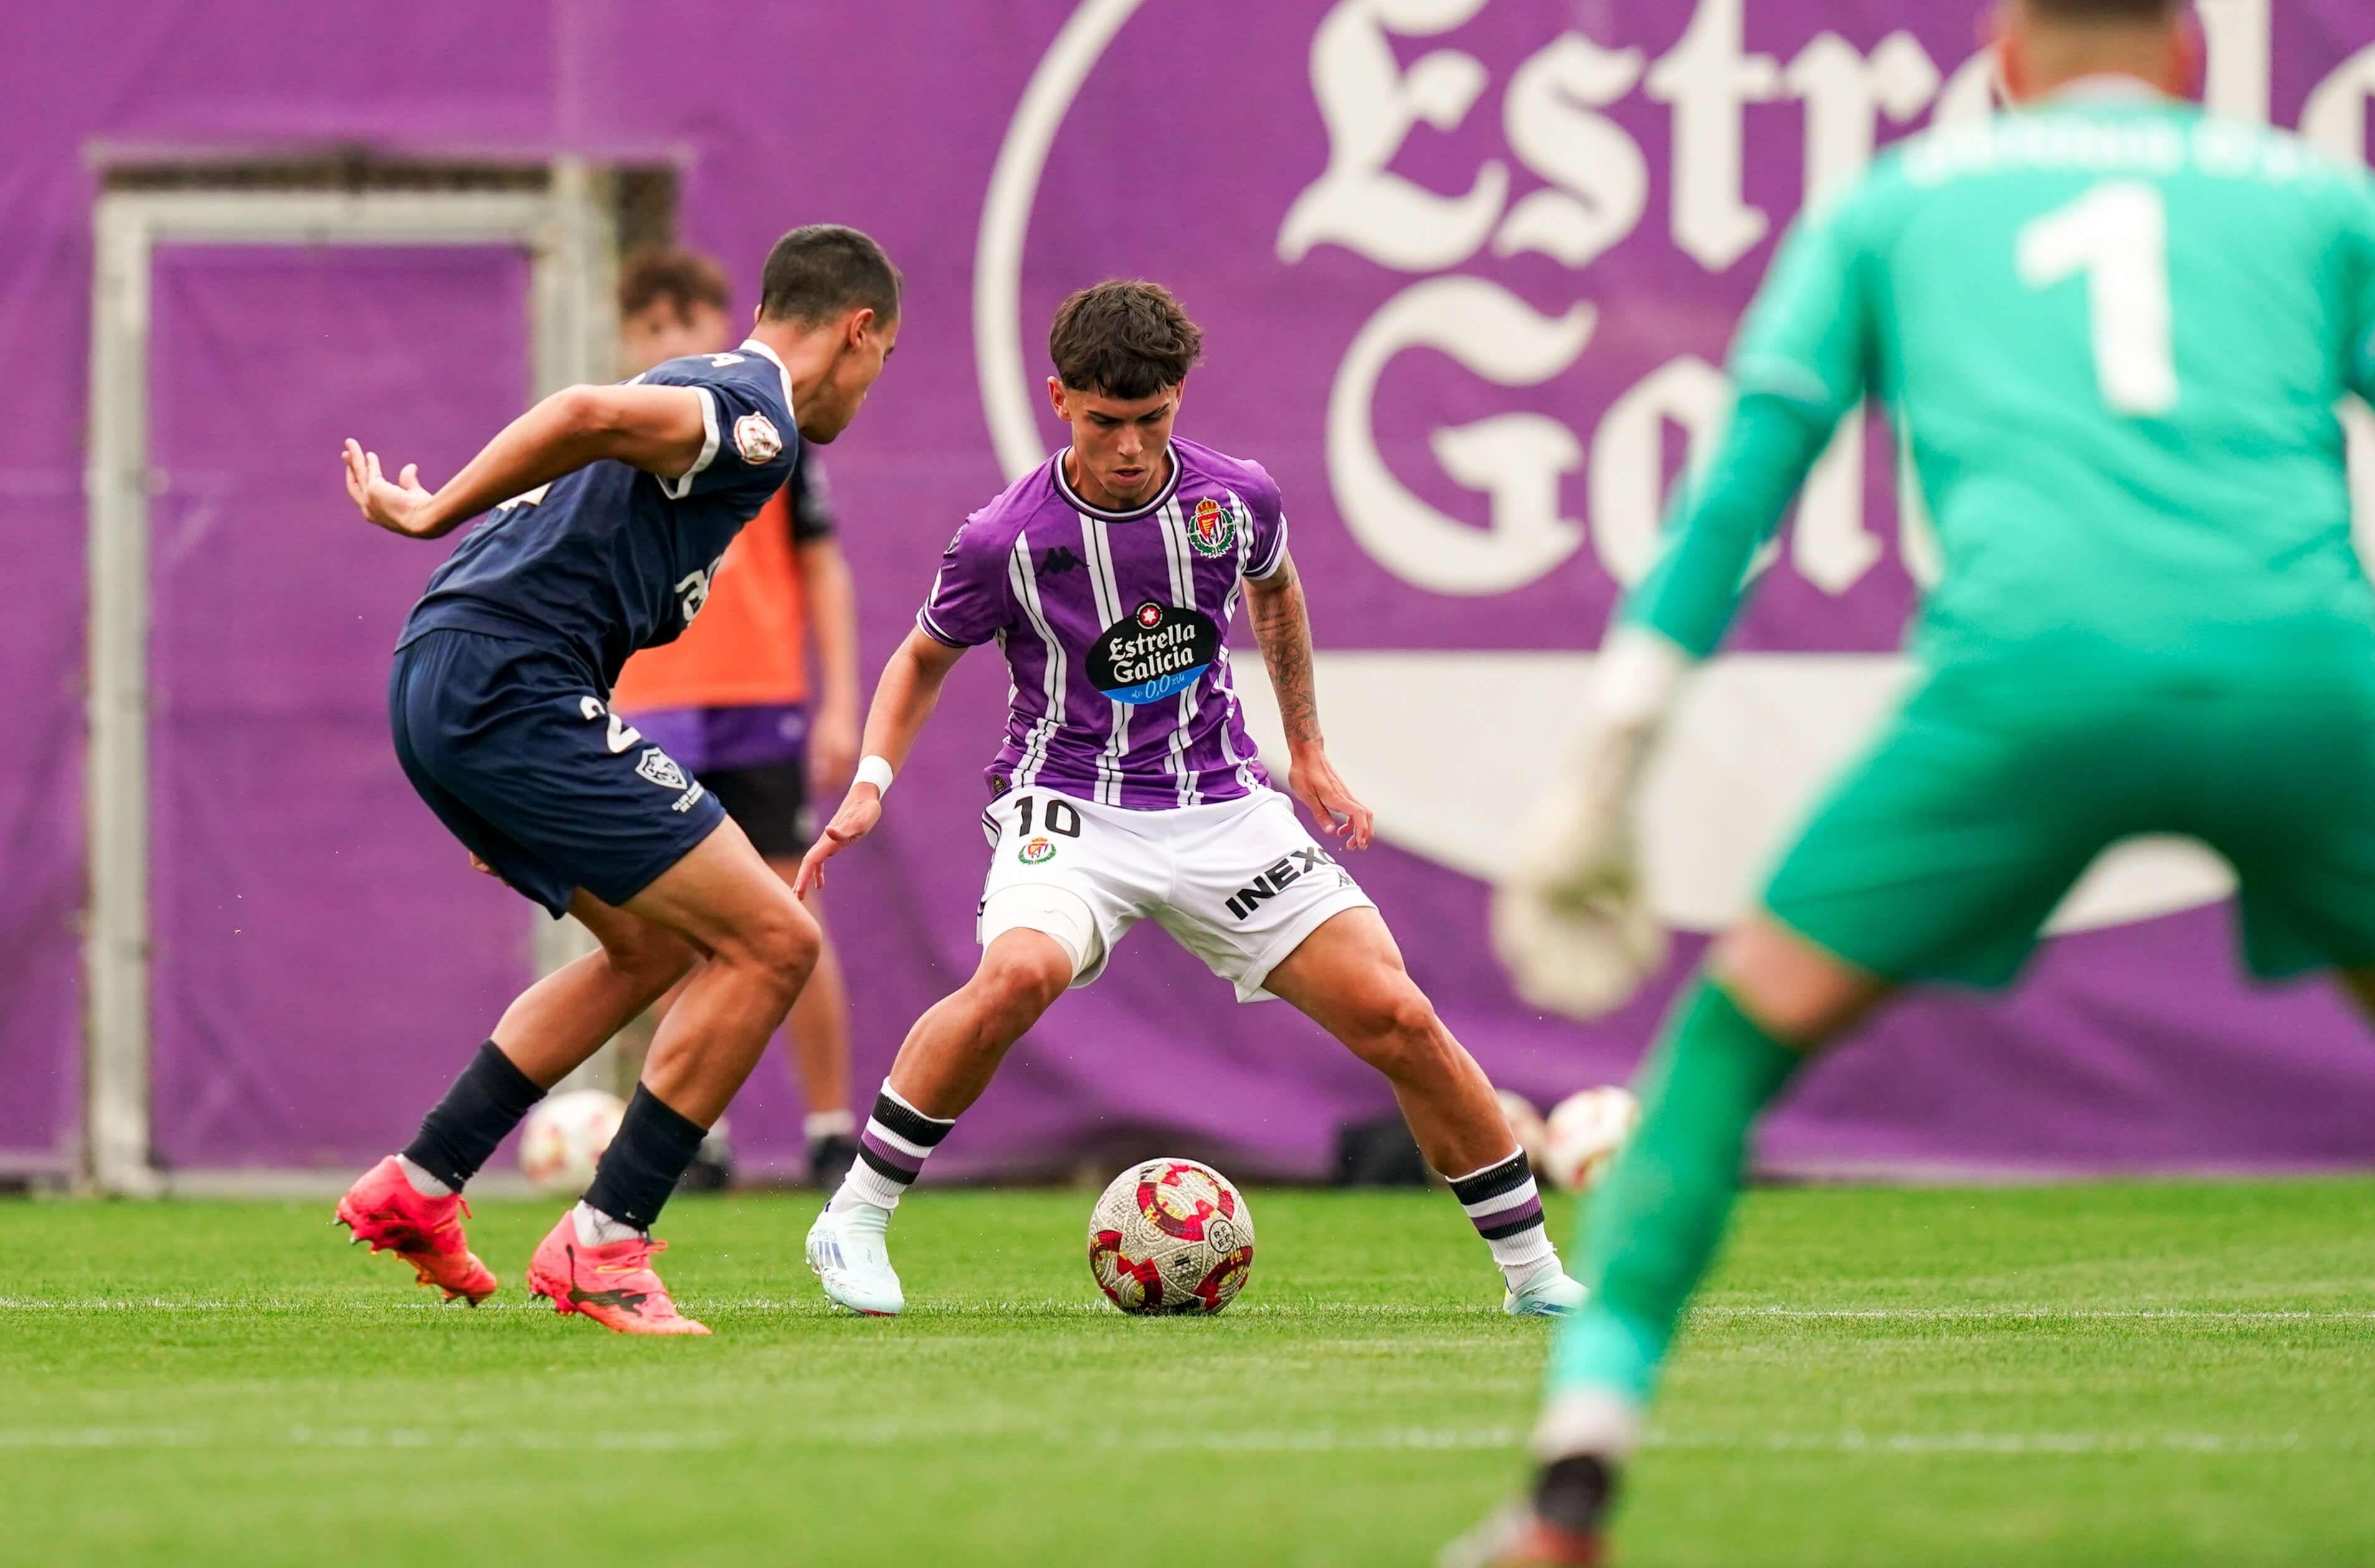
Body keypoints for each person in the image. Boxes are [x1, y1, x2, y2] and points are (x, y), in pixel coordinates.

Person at [1448, 0, 2375, 1564]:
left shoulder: (1899, 202)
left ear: (2002, 48)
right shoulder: (2331, 199)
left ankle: (1570, 1491)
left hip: (2024, 683)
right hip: (2302, 681)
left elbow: (1737, 493)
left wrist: (1609, 768)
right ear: (2190, 52)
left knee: (1733, 1045)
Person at [794, 280, 1584, 1319]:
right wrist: (871, 785)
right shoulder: (1006, 539)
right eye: (1105, 422)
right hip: (1070, 804)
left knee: (1397, 1015)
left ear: (1179, 401)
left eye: (1152, 420)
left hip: (1221, 803)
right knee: (1017, 975)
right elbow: (921, 658)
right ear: (1059, 400)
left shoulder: (1232, 498)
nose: (1129, 447)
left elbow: (1277, 589)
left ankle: (1536, 1279)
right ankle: (852, 1216)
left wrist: (1305, 749)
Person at [330, 225, 902, 1336]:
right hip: (506, 683)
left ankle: (424, 1180)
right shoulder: (758, 411)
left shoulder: (711, 388)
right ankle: (607, 1240)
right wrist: (432, 506)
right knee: (776, 939)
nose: (873, 387)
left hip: (458, 678)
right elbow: (586, 413)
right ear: (857, 329)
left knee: (655, 946)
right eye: (884, 359)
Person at [610, 248, 864, 1189]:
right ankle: (693, 1135)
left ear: (726, 324)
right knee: (675, 922)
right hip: (653, 703)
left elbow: (822, 567)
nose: (673, 339)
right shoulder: (627, 431)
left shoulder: (770, 433)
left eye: (690, 321)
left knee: (789, 910)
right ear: (630, 336)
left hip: (760, 701)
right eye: (653, 325)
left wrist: (838, 697)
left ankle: (832, 1127)